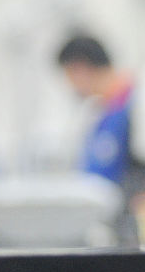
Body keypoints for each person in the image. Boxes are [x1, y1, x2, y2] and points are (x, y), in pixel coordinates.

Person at [56, 34, 134, 186]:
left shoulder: (130, 108)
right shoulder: (107, 112)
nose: (70, 85)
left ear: (80, 68)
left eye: (70, 75)